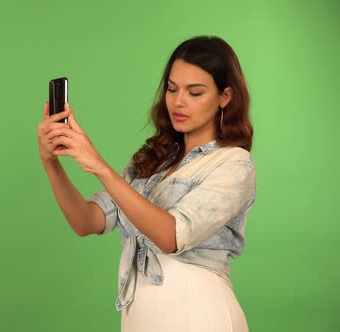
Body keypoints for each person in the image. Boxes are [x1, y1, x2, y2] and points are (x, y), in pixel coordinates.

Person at [36, 35, 255, 332]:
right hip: (140, 318)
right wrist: (52, 162)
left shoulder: (233, 164)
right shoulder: (154, 162)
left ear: (224, 97)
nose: (178, 102)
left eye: (195, 92)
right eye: (172, 89)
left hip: (200, 316)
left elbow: (172, 236)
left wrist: (101, 167)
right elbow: (86, 221)